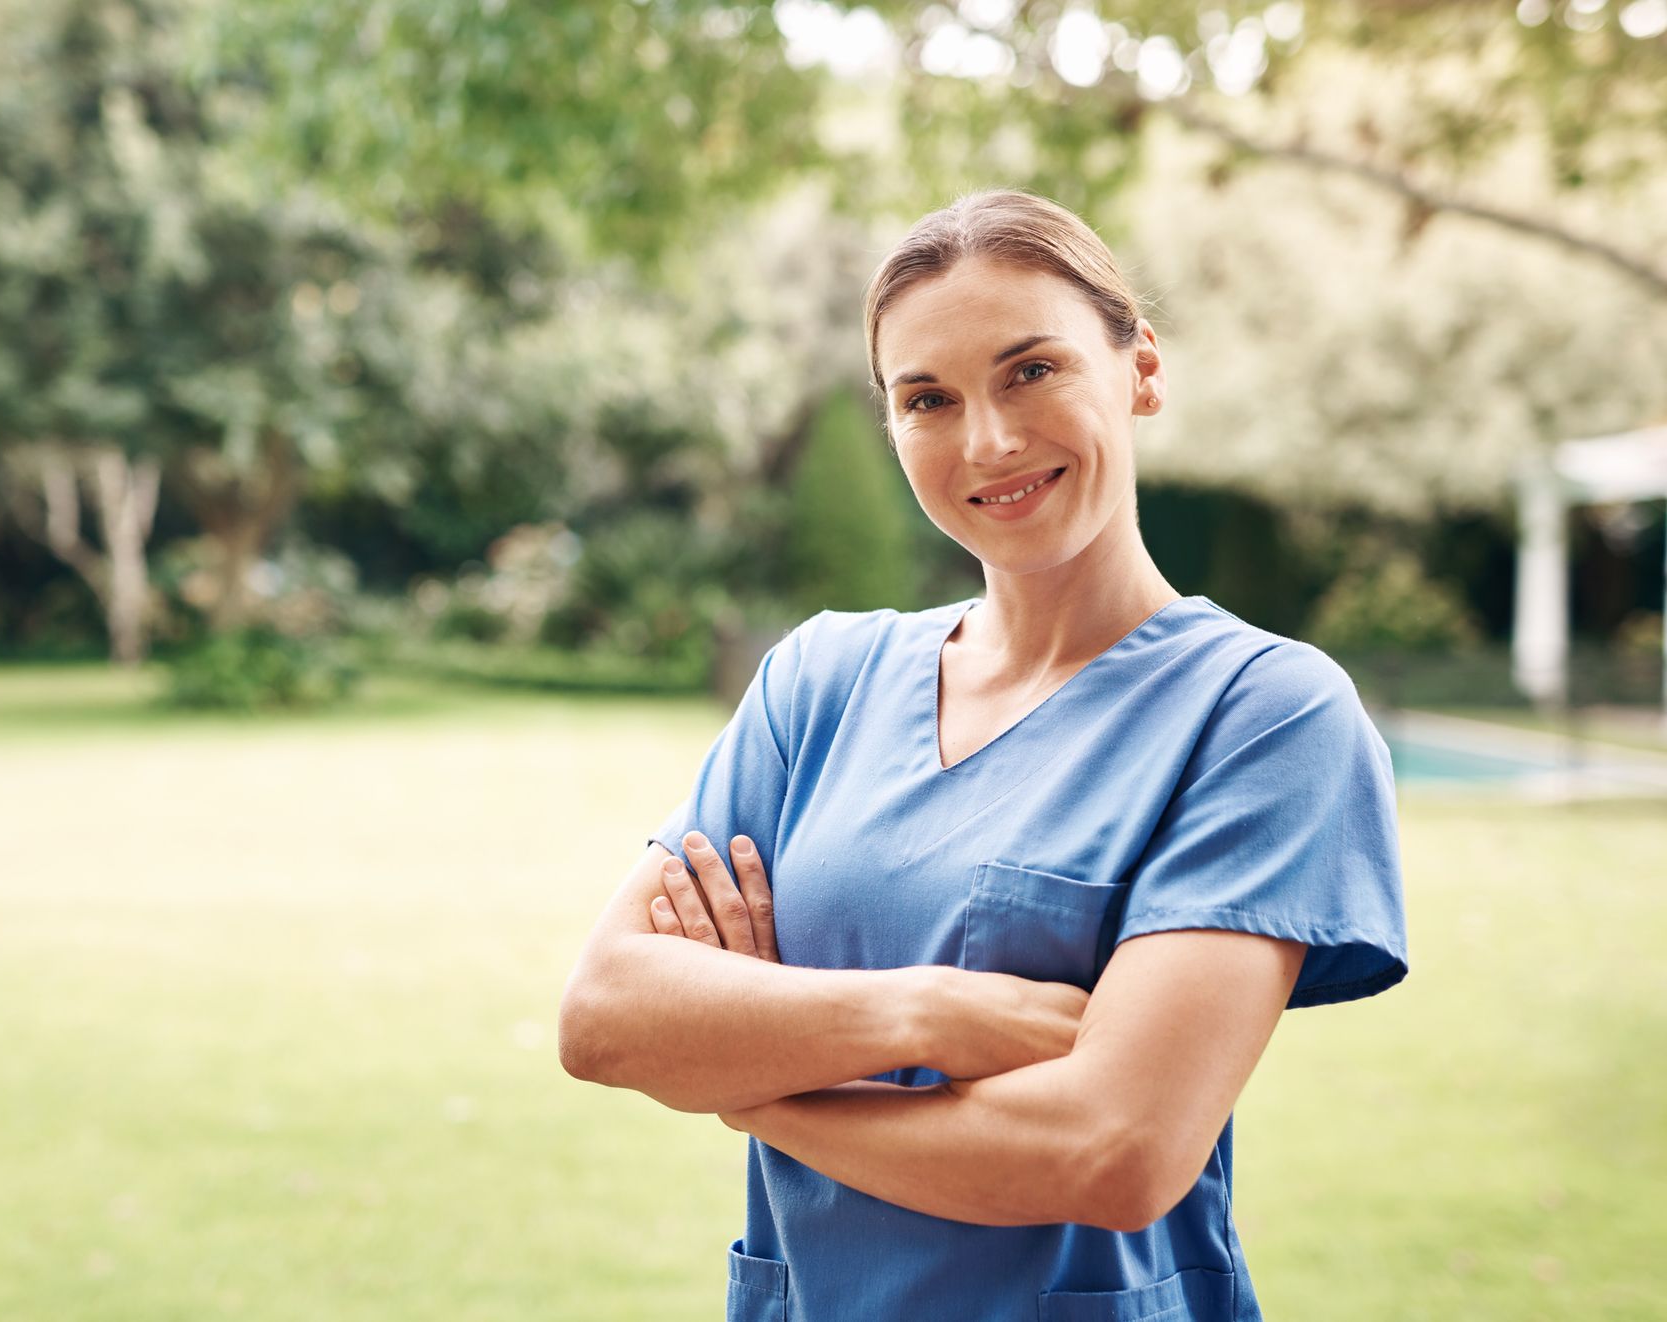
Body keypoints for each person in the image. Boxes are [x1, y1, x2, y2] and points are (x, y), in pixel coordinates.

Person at [558, 188, 1408, 1322]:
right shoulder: (820, 683)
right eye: (928, 398)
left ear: (1140, 367)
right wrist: (930, 1012)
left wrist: (749, 1080)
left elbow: (1112, 1150)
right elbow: (606, 1012)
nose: (990, 439)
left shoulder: (1265, 715)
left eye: (1031, 370)